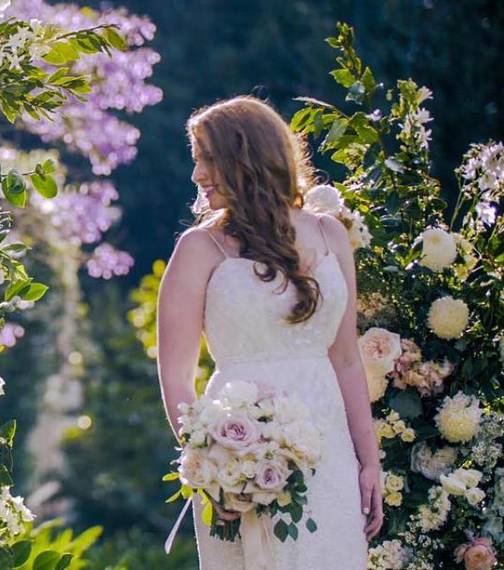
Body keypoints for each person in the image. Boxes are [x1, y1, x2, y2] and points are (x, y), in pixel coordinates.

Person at [156, 96, 381, 569]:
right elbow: (176, 377)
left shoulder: (330, 235)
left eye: (207, 158)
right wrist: (211, 465)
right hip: (238, 460)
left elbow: (345, 358)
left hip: (329, 453)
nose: (197, 174)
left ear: (249, 157)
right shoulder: (199, 248)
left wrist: (369, 461)